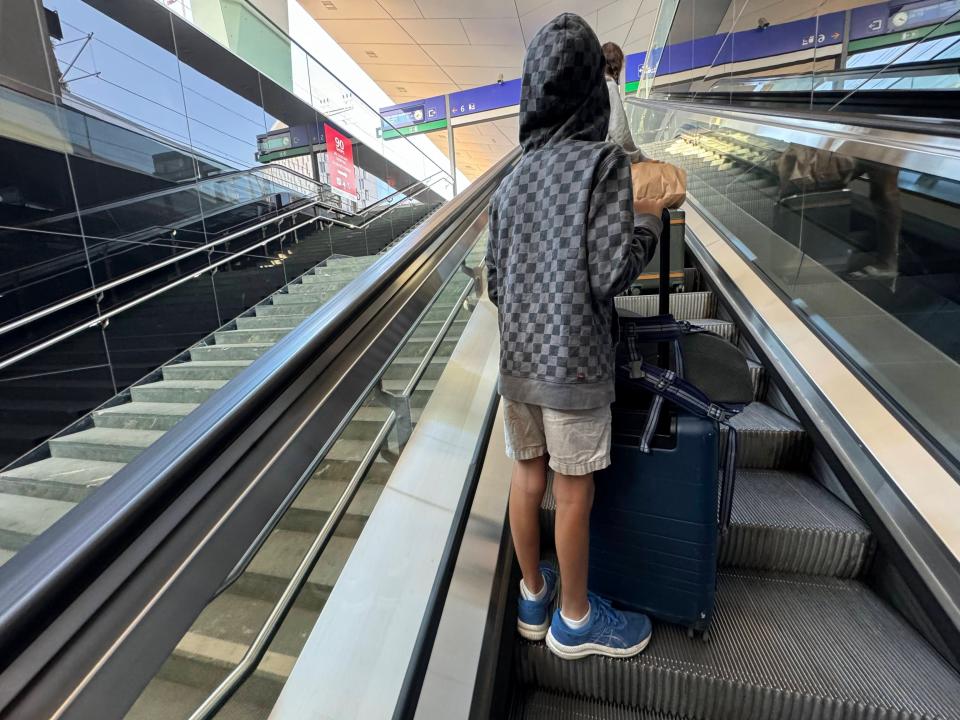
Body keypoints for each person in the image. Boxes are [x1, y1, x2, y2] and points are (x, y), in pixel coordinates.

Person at [485, 13, 664, 660]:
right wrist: (647, 223)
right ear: (594, 89)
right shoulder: (603, 165)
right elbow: (611, 273)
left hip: (519, 363)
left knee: (526, 476)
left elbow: (497, 284)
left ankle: (533, 596)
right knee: (573, 488)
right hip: (575, 362)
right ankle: (577, 619)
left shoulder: (510, 182)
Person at [602, 41, 646, 163]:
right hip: (611, 160)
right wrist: (637, 157)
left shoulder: (596, 85)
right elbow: (619, 131)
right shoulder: (609, 86)